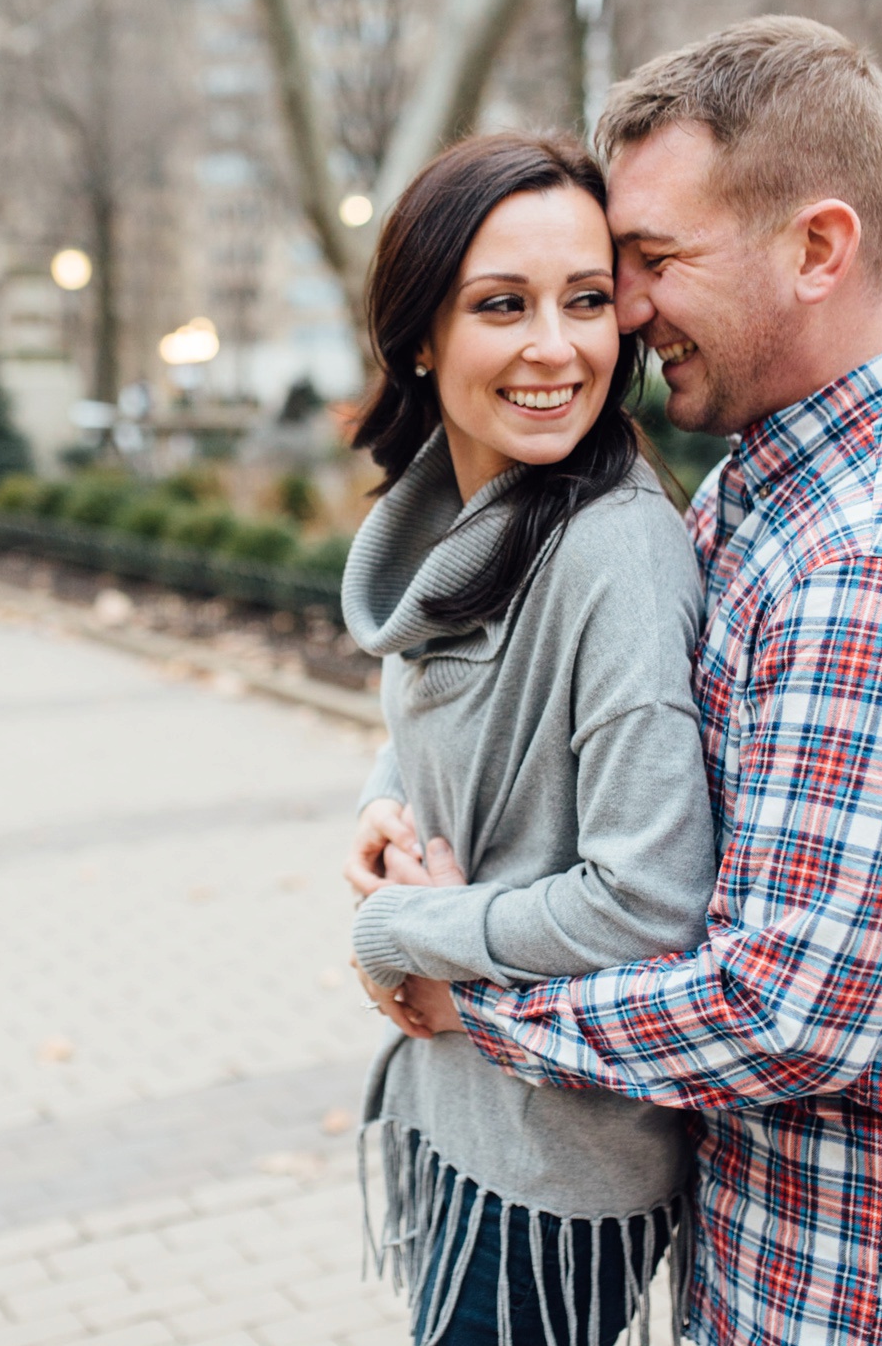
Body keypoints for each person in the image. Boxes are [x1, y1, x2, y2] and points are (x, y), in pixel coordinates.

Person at [360, 17, 882, 1346]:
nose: (627, 312)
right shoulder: (791, 480)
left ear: (817, 247)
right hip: (794, 1238)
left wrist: (471, 993)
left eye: (650, 261)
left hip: (881, 1277)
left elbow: (781, 1011)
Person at [339, 132, 718, 1346]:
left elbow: (647, 899)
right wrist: (382, 808)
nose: (556, 348)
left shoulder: (612, 549)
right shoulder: (469, 515)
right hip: (456, 1105)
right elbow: (436, 712)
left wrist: (404, 927)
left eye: (588, 300)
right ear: (419, 335)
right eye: (502, 305)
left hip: (555, 1156)